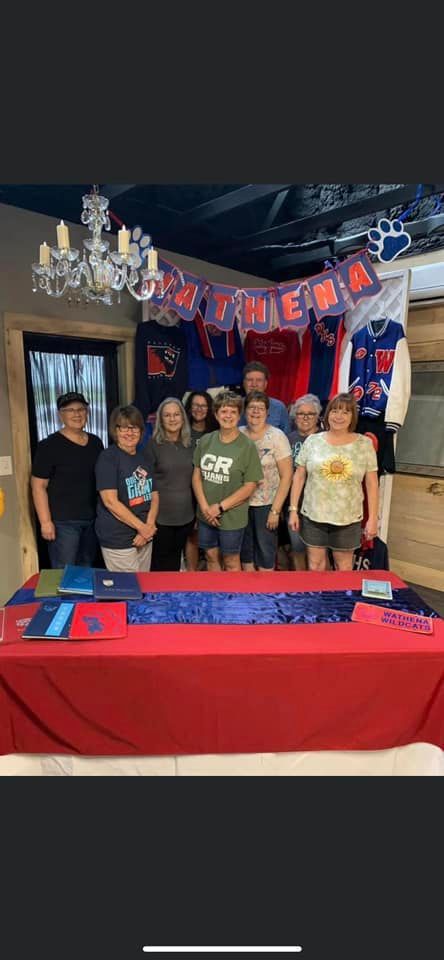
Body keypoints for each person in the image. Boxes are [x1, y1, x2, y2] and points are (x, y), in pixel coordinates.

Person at [288, 393, 378, 572]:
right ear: (328, 414)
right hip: (314, 515)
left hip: (348, 517)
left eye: (345, 412)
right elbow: (299, 476)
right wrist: (293, 510)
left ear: (353, 417)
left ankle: (340, 600)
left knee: (343, 567)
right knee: (315, 565)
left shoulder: (364, 444)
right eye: (335, 411)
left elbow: (372, 484)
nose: (339, 416)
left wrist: (373, 519)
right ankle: (318, 600)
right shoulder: (313, 441)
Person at [192, 390, 263, 572]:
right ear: (216, 414)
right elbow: (196, 477)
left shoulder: (247, 446)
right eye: (223, 411)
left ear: (239, 416)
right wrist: (206, 508)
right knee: (210, 556)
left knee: (231, 560)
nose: (228, 416)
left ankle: (233, 599)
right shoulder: (206, 441)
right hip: (206, 514)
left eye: (233, 411)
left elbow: (250, 486)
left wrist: (220, 507)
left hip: (232, 517)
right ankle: (217, 598)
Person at [31, 391, 103, 569]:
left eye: (81, 409)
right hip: (63, 523)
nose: (77, 414)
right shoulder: (48, 446)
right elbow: (38, 486)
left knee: (86, 569)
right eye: (70, 410)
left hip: (92, 519)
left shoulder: (96, 442)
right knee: (64, 572)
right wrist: (46, 522)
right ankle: (66, 599)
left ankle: (82, 599)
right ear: (60, 414)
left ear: (87, 412)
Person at [95, 405, 159, 572]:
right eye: (123, 428)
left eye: (134, 428)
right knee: (128, 590)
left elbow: (154, 495)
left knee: (144, 585)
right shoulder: (108, 458)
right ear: (115, 431)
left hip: (145, 535)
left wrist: (149, 526)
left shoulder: (144, 457)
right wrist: (142, 528)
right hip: (119, 539)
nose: (129, 433)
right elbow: (110, 502)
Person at [239, 391, 292, 571]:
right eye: (251, 407)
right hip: (240, 504)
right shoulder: (238, 434)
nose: (255, 411)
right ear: (245, 411)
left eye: (260, 408)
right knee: (245, 551)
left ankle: (265, 595)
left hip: (267, 504)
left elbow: (287, 476)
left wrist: (275, 510)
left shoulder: (277, 437)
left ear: (267, 412)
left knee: (265, 552)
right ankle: (248, 596)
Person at [144, 398, 195, 572]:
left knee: (175, 562)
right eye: (167, 415)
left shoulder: (191, 444)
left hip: (186, 516)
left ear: (183, 417)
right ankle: (158, 599)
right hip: (160, 518)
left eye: (176, 414)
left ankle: (172, 598)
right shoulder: (152, 446)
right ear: (160, 419)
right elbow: (146, 484)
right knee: (160, 565)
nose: (172, 419)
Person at [286, 393, 322, 571]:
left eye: (310, 414)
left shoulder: (325, 439)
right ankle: (302, 590)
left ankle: (322, 591)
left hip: (318, 506)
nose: (305, 418)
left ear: (318, 417)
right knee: (297, 549)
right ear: (294, 416)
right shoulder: (287, 439)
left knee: (319, 553)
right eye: (301, 414)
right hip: (293, 505)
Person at [183, 391, 219, 570]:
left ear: (210, 409)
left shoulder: (216, 432)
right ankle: (191, 573)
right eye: (195, 405)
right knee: (191, 535)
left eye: (203, 405)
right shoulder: (182, 431)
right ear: (189, 407)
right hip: (185, 490)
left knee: (209, 535)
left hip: (210, 489)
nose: (199, 409)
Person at [239, 361, 291, 434]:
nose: (254, 384)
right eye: (250, 380)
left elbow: (287, 436)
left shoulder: (279, 407)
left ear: (265, 384)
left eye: (259, 380)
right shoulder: (235, 406)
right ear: (244, 383)